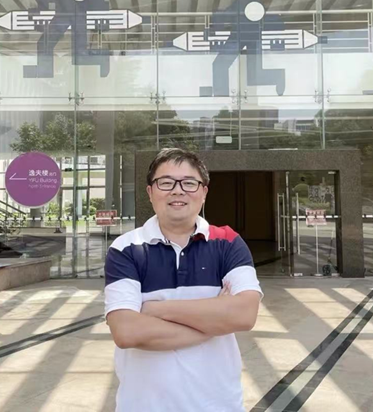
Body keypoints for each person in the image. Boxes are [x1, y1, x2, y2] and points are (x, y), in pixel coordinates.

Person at [104, 148, 262, 412]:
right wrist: (215, 320)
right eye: (166, 182)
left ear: (204, 192)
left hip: (218, 405)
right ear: (150, 192)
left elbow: (244, 315)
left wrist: (154, 309)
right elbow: (127, 331)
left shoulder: (228, 242)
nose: (178, 191)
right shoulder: (126, 248)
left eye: (189, 183)